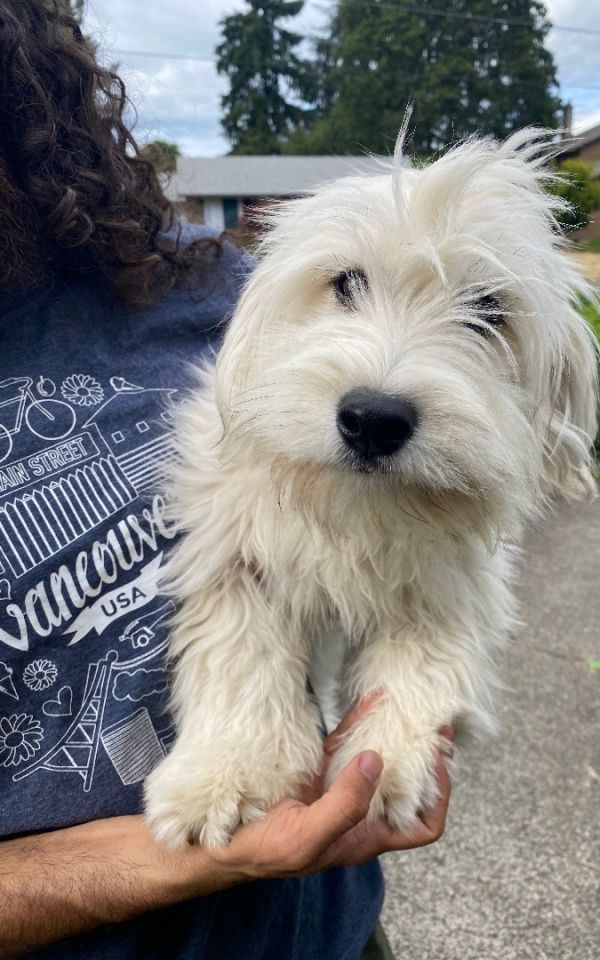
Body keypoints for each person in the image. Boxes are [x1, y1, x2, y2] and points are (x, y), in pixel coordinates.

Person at [0, 2, 451, 957]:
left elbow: (416, 533)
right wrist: (170, 862)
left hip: (330, 931)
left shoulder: (191, 282)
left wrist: (413, 673)